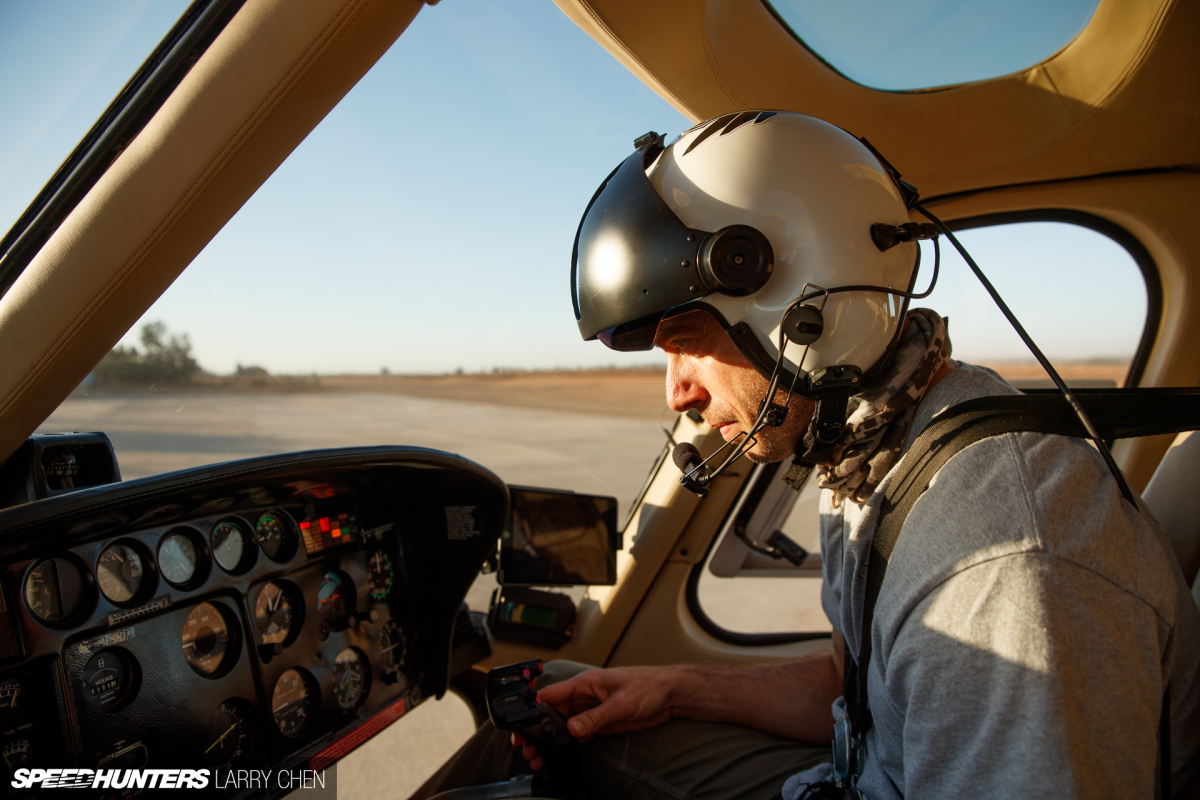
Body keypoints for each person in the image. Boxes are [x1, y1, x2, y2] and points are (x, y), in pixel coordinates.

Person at [413, 112, 1200, 799]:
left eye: (685, 343)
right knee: (564, 700)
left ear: (801, 312)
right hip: (854, 775)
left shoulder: (1002, 570)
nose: (675, 393)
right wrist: (673, 687)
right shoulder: (870, 450)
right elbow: (848, 687)